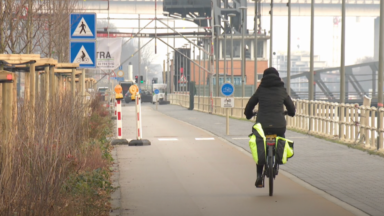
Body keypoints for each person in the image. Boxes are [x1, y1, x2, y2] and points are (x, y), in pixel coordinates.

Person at [244, 67, 295, 188]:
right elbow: (291, 108)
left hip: (262, 125)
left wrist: (249, 114)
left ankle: (258, 176)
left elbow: (250, 105)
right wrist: (290, 113)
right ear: (277, 77)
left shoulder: (261, 89)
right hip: (279, 125)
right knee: (281, 138)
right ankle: (277, 159)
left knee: (261, 146)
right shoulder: (281, 90)